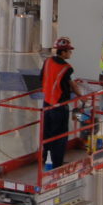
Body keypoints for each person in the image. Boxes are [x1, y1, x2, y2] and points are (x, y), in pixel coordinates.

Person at [41, 36, 77, 168]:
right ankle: (56, 163)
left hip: (47, 103)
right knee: (59, 136)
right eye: (69, 51)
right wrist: (81, 96)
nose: (70, 53)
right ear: (63, 52)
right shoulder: (66, 68)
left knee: (47, 133)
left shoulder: (47, 61)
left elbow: (41, 78)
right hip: (59, 106)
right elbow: (72, 85)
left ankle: (46, 159)